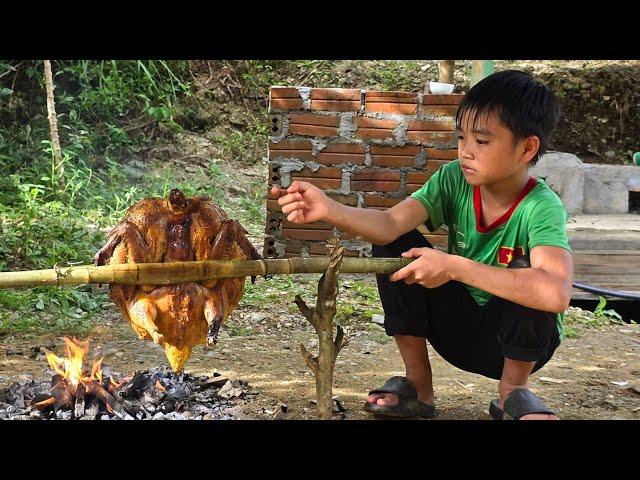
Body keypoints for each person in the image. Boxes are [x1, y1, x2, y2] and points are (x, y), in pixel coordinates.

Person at [270, 70, 573, 420]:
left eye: (482, 141)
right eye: (462, 138)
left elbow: (555, 293)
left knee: (530, 276)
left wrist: (453, 266)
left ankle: (513, 394)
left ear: (527, 148)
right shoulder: (453, 180)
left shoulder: (541, 206)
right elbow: (388, 225)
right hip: (457, 333)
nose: (466, 151)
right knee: (393, 243)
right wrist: (329, 208)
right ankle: (419, 386)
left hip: (519, 346)